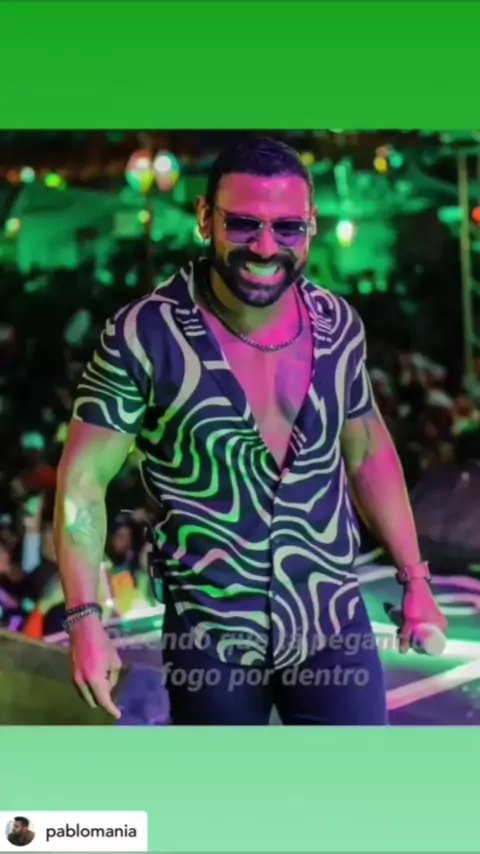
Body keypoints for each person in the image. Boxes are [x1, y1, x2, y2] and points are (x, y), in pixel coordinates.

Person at [54, 136, 447, 725]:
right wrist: (85, 619)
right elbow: (83, 481)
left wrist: (415, 580)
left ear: (311, 226)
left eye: (288, 227)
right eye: (243, 224)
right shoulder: (145, 335)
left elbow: (367, 450)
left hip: (329, 614)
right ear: (205, 219)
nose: (265, 247)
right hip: (211, 631)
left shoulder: (337, 324)